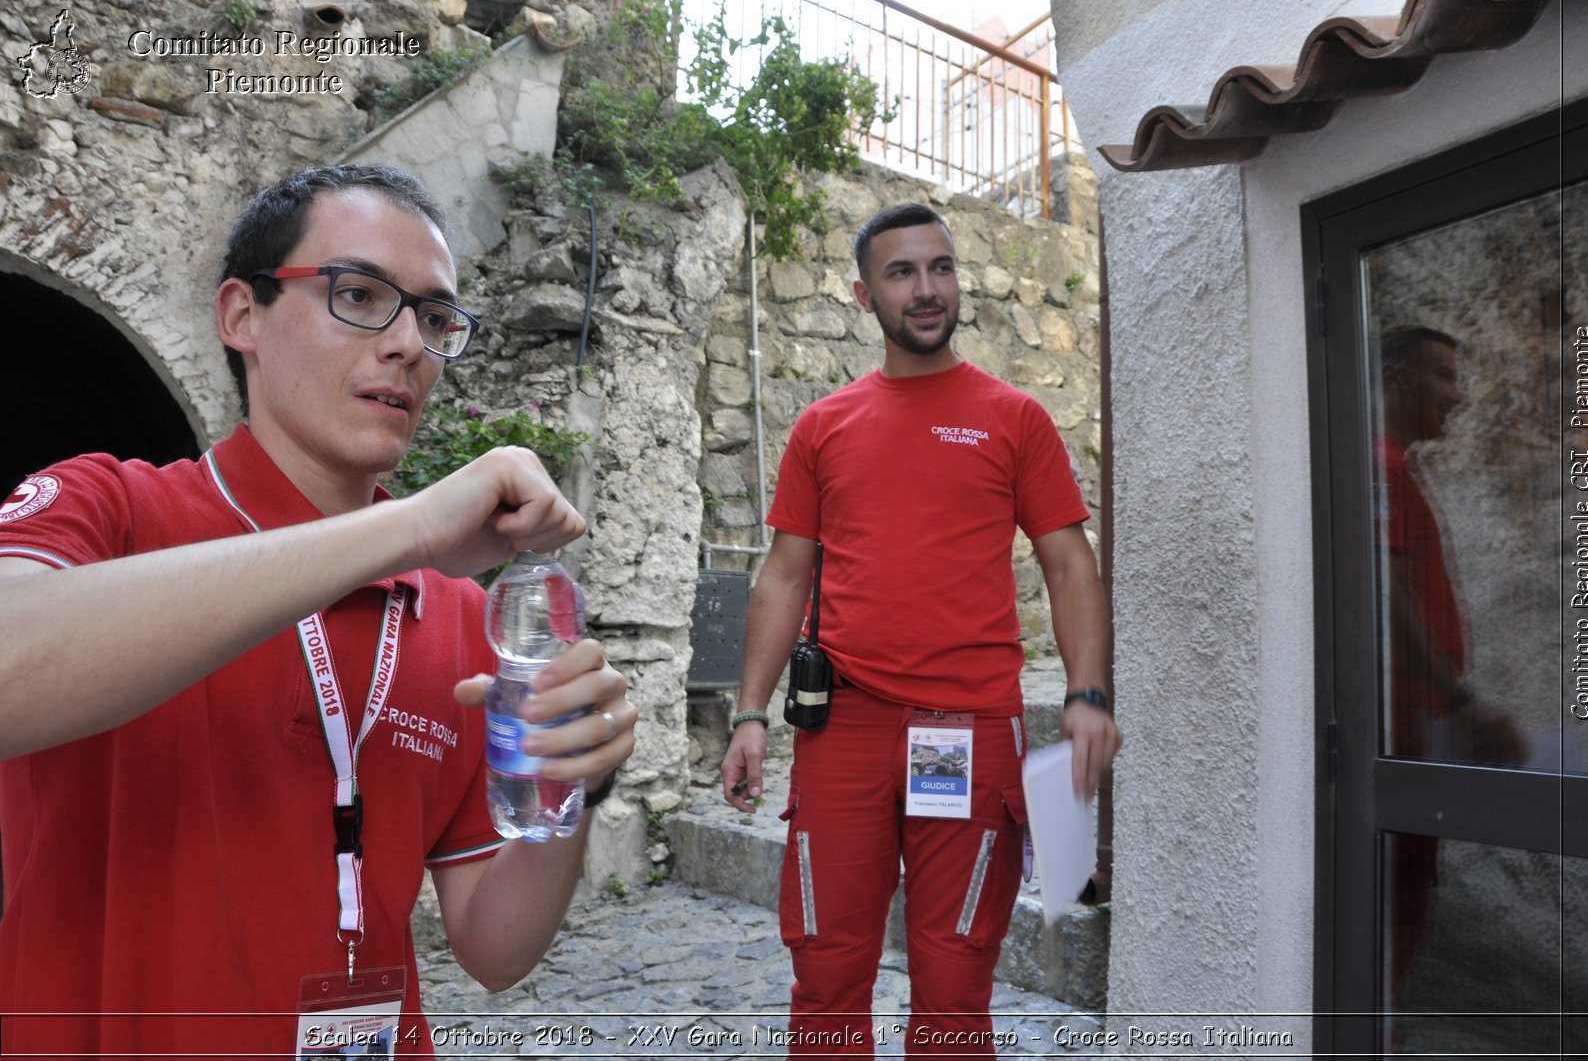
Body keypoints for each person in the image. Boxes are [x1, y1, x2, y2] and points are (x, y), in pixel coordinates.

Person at [0, 165, 636, 1055]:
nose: (409, 343)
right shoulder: (108, 507)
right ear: (241, 315)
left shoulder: (455, 616)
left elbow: (495, 947)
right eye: (361, 293)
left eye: (435, 316)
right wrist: (409, 528)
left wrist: (573, 779)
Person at [721, 203, 1120, 1056]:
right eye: (902, 272)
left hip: (968, 729)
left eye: (940, 267)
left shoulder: (1015, 418)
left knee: (955, 982)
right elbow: (785, 574)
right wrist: (750, 712)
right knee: (825, 972)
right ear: (864, 293)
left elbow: (1070, 566)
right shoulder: (823, 425)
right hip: (847, 729)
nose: (927, 287)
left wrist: (1085, 694)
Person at [1375, 324, 1523, 1006]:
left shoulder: (1394, 467)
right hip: (1402, 730)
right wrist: (1459, 699)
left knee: (1404, 897)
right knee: (1396, 902)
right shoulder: (1379, 466)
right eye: (1443, 376)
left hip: (1416, 727)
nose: (1457, 397)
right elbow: (1387, 590)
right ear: (1400, 375)